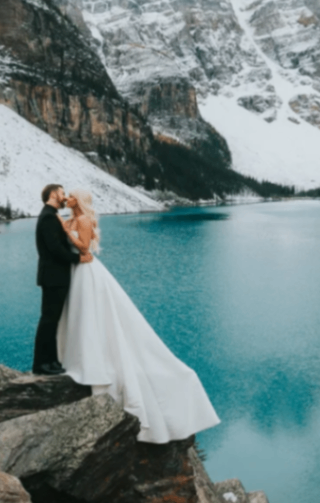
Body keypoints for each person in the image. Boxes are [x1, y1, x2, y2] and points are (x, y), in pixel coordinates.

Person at [55, 188, 221, 444]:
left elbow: (85, 249)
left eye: (72, 195)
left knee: (94, 318)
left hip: (87, 272)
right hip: (77, 273)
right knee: (81, 318)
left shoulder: (84, 220)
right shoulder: (73, 218)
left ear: (80, 200)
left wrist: (67, 232)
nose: (68, 198)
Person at [32, 184, 91, 376]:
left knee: (52, 319)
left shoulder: (51, 215)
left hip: (54, 275)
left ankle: (51, 361)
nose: (65, 197)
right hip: (53, 276)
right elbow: (55, 249)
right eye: (63, 193)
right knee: (49, 320)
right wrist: (77, 258)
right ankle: (41, 364)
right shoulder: (49, 217)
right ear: (53, 194)